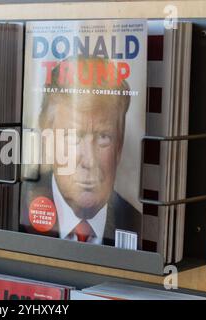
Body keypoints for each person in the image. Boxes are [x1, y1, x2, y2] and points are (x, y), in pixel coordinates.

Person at [21, 56, 142, 247]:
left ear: (119, 146)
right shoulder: (12, 213)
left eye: (104, 137)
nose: (89, 161)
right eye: (73, 137)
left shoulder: (141, 228)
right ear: (48, 142)